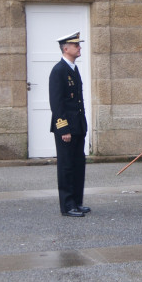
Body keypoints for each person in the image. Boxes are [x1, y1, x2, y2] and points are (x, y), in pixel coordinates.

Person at [49, 31, 89, 218]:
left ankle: (77, 201)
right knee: (66, 166)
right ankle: (67, 205)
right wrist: (63, 128)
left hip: (78, 125)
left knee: (78, 164)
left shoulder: (73, 68)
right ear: (66, 48)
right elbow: (57, 104)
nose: (79, 47)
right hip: (66, 128)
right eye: (76, 45)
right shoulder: (59, 71)